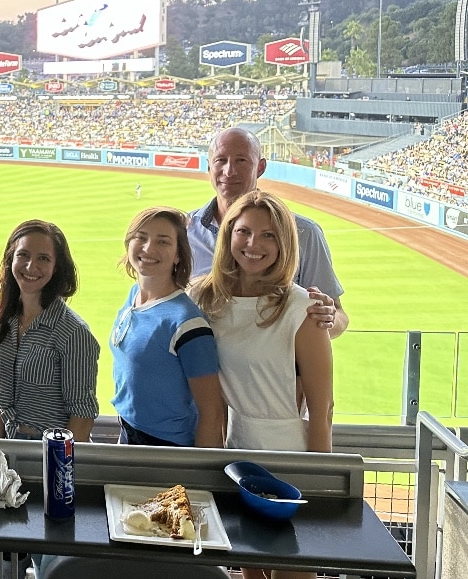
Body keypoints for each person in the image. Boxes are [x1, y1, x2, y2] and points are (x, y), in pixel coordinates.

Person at [190, 191, 333, 579]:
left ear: (284, 242)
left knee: (292, 570)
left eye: (269, 235)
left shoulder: (302, 306)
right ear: (228, 235)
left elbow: (322, 409)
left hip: (289, 457)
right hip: (235, 454)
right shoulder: (204, 298)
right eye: (244, 231)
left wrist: (319, 486)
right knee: (252, 566)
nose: (254, 245)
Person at [189, 127, 347, 337]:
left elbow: (338, 316)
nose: (229, 171)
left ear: (260, 167)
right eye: (221, 160)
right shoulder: (184, 231)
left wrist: (328, 318)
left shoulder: (304, 233)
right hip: (200, 368)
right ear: (209, 167)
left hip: (273, 368)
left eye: (241, 161)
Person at [110, 207, 223, 448]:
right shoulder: (133, 296)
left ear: (178, 255)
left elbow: (212, 414)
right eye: (141, 237)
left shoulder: (187, 325)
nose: (149, 248)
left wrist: (198, 474)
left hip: (167, 448)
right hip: (128, 435)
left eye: (163, 241)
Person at [0, 219, 98, 442]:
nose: (30, 266)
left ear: (56, 267)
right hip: (8, 449)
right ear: (11, 258)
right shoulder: (7, 319)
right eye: (23, 255)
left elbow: (83, 416)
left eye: (43, 258)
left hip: (50, 452)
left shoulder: (73, 333)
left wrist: (57, 468)